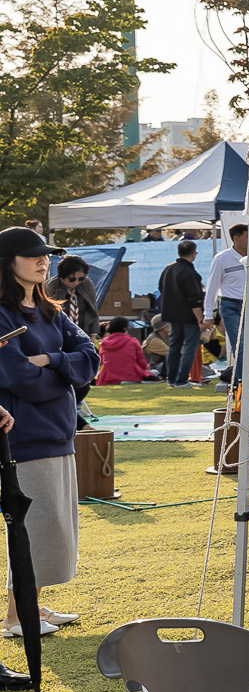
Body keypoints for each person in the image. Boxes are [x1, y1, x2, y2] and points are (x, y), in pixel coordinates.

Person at [0, 225, 98, 643]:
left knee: (50, 525)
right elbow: (19, 377)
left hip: (58, 432)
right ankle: (16, 618)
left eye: (47, 255)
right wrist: (64, 373)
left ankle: (29, 606)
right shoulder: (2, 314)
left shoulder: (52, 311)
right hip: (22, 436)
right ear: (8, 263)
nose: (44, 261)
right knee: (34, 526)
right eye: (33, 255)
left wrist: (53, 360)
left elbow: (89, 357)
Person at [202, 223, 249, 386]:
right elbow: (211, 288)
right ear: (236, 238)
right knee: (241, 345)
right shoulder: (222, 259)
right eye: (247, 236)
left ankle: (245, 380)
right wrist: (208, 315)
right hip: (230, 305)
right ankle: (241, 383)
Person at [158, 237, 205, 386]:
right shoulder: (190, 273)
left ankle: (171, 379)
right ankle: (182, 379)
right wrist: (201, 319)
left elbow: (161, 287)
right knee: (190, 346)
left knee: (174, 346)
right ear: (193, 254)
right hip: (189, 315)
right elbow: (195, 299)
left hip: (172, 314)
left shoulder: (168, 269)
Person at [93, 317, 150, 385]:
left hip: (108, 378)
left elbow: (102, 361)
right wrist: (146, 367)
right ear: (125, 328)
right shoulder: (132, 341)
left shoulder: (103, 343)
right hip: (131, 376)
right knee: (155, 372)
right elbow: (141, 361)